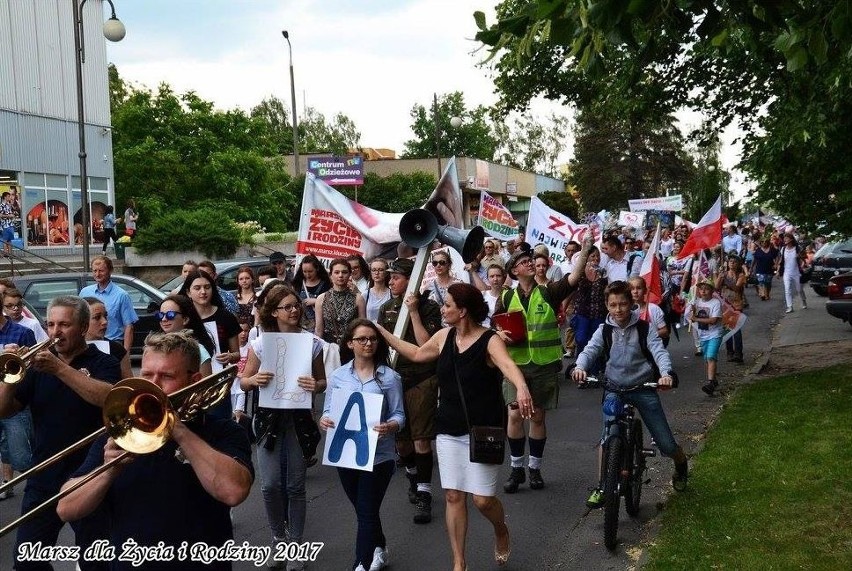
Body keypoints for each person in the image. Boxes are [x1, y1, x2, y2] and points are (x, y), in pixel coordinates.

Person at [56, 331, 254, 571]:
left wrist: (177, 429)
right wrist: (108, 471)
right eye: (148, 375)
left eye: (167, 376)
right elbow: (66, 508)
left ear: (195, 381)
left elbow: (233, 492)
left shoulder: (223, 431)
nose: (154, 385)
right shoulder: (118, 436)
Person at [378, 283, 534, 571]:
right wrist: (382, 333)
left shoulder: (490, 340)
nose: (443, 308)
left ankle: (500, 528)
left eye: (447, 305)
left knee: (483, 500)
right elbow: (415, 353)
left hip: (483, 430)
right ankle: (459, 563)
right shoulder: (443, 336)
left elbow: (508, 366)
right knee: (453, 495)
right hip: (448, 427)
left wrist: (521, 387)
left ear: (462, 311)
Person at [0, 295, 121, 571]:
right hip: (44, 473)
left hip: (89, 473)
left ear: (82, 327)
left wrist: (60, 369)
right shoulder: (38, 365)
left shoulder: (104, 362)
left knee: (96, 561)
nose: (55, 332)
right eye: (51, 324)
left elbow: (109, 397)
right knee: (27, 561)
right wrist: (10, 376)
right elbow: (4, 410)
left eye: (64, 325)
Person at [571, 281, 688, 509]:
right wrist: (579, 367)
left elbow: (659, 352)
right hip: (614, 388)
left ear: (631, 304)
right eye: (613, 305)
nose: (618, 310)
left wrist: (666, 374)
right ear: (607, 305)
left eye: (623, 304)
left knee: (665, 443)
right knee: (607, 438)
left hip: (642, 387)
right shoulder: (604, 330)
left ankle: (681, 463)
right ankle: (603, 485)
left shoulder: (644, 328)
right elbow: (590, 350)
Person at [493, 235, 591, 493]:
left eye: (530, 260)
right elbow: (495, 325)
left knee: (537, 416)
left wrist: (587, 247)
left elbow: (574, 277)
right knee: (514, 414)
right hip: (515, 367)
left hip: (544, 366)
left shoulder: (548, 291)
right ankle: (516, 469)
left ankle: (534, 468)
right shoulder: (505, 297)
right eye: (524, 261)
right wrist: (499, 334)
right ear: (514, 271)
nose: (530, 264)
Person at [240, 285, 326, 571]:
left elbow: (322, 381)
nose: (294, 310)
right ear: (273, 312)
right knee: (270, 484)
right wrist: (255, 380)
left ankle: (296, 547)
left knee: (295, 485)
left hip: (298, 420)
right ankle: (279, 539)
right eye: (287, 307)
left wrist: (317, 385)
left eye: (296, 306)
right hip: (268, 419)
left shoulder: (311, 342)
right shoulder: (262, 343)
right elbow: (244, 381)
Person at [320, 319, 405, 571]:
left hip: (379, 457)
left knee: (367, 510)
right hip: (345, 455)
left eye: (373, 338)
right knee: (363, 509)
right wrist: (324, 421)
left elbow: (400, 415)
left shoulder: (389, 377)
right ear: (350, 343)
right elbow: (327, 411)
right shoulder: (337, 376)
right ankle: (379, 547)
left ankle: (362, 563)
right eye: (362, 339)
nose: (368, 343)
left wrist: (390, 426)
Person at [376, 258, 442, 524]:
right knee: (402, 441)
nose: (390, 281)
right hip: (394, 379)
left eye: (396, 277)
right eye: (389, 277)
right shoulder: (386, 308)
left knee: (421, 439)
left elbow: (427, 346)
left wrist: (414, 312)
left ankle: (425, 493)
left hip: (423, 378)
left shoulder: (429, 306)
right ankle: (413, 476)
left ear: (410, 280)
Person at [0, 298, 36, 501]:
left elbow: (34, 365)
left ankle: (39, 485)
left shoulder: (22, 332)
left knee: (21, 455)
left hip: (15, 400)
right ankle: (8, 483)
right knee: (4, 446)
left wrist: (18, 358)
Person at [178, 271, 240, 373]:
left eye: (207, 287)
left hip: (218, 376)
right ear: (188, 292)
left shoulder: (226, 316)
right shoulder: (183, 318)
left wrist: (230, 356)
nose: (203, 292)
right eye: (197, 288)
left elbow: (237, 354)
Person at [79, 255, 138, 353]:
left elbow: (129, 326)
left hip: (113, 344)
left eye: (101, 271)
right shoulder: (85, 292)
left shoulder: (121, 295)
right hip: (88, 344)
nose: (97, 274)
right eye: (94, 271)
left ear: (110, 271)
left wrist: (126, 353)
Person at [569, 246, 609, 384]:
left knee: (596, 342)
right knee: (580, 339)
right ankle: (581, 370)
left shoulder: (603, 273)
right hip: (582, 313)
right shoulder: (579, 273)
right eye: (593, 256)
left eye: (598, 256)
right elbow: (571, 290)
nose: (596, 259)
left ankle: (594, 372)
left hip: (599, 312)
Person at [315, 258, 366, 359]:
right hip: (329, 349)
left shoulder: (358, 298)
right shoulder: (321, 298)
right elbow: (319, 330)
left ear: (349, 275)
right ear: (331, 275)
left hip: (352, 349)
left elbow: (363, 328)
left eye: (344, 272)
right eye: (337, 272)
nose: (340, 275)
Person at [158, 294, 216, 378]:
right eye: (160, 315)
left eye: (170, 314)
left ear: (185, 319)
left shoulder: (199, 351)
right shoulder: (155, 348)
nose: (164, 319)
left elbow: (206, 388)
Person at [687, 278, 724, 395]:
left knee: (711, 357)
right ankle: (713, 380)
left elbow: (713, 320)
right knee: (707, 359)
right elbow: (690, 314)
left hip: (714, 334)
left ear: (712, 291)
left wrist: (696, 319)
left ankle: (710, 382)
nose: (703, 291)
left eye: (706, 289)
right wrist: (691, 309)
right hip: (703, 335)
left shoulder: (715, 303)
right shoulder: (696, 302)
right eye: (701, 289)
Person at [83, 296, 133, 380]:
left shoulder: (117, 350)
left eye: (105, 316)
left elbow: (129, 385)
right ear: (82, 322)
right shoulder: (68, 349)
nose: (104, 322)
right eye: (97, 317)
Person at [716, 255, 747, 363]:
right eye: (730, 262)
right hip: (726, 305)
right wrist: (720, 277)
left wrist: (725, 279)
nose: (732, 264)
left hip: (737, 304)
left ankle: (739, 354)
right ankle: (730, 352)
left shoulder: (741, 275)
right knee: (727, 329)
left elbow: (736, 287)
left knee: (737, 329)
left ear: (738, 264)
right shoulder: (724, 274)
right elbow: (716, 288)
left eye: (734, 262)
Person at [291, 254, 331, 333]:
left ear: (317, 269)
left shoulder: (326, 284)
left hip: (321, 326)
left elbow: (332, 304)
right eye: (304, 272)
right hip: (302, 325)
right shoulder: (297, 284)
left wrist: (316, 301)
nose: (307, 275)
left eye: (310, 271)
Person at [628, 276, 669, 346]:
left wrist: (647, 335)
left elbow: (664, 331)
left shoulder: (654, 309)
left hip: (652, 347)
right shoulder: (626, 311)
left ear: (645, 291)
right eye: (632, 289)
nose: (635, 291)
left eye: (639, 288)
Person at [778, 232, 807, 313]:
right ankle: (790, 306)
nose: (784, 240)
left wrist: (800, 256)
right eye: (784, 238)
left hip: (796, 272)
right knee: (787, 290)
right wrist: (777, 271)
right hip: (786, 272)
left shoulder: (798, 248)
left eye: (786, 238)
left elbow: (805, 256)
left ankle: (804, 300)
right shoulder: (783, 249)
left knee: (799, 289)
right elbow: (781, 260)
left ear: (791, 239)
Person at [364, 258, 391, 323]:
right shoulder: (365, 294)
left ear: (386, 273)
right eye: (373, 270)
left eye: (381, 270)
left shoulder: (391, 293)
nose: (377, 273)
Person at [1, 191, 18, 257]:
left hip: (10, 224)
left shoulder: (8, 205)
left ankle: (10, 254)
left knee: (10, 240)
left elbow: (11, 213)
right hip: (5, 225)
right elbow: (1, 215)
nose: (9, 198)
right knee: (5, 240)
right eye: (8, 196)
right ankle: (6, 253)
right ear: (5, 197)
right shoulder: (1, 205)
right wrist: (9, 216)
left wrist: (13, 215)